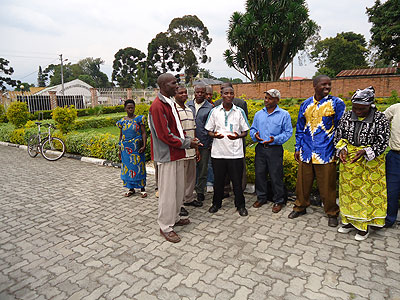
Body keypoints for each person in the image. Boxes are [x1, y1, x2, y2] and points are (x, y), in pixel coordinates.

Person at [148, 73, 200, 243]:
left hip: (177, 153)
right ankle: (165, 226)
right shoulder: (157, 106)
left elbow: (176, 129)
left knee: (178, 190)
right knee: (168, 193)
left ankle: (175, 217)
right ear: (163, 86)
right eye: (173, 84)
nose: (177, 87)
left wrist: (187, 139)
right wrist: (187, 143)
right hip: (167, 155)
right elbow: (165, 135)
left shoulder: (170, 103)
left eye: (176, 83)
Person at [288, 75, 345, 227]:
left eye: (329, 84)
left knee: (327, 186)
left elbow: (341, 128)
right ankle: (300, 207)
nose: (327, 87)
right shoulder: (306, 104)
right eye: (323, 84)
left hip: (325, 152)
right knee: (302, 184)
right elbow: (300, 129)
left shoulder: (337, 103)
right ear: (314, 85)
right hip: (306, 152)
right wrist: (297, 147)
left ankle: (332, 213)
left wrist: (339, 149)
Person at [335, 86, 389, 240]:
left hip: (370, 164)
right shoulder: (346, 116)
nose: (357, 111)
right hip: (350, 162)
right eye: (355, 108)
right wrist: (342, 148)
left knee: (365, 194)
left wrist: (366, 151)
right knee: (348, 194)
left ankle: (363, 227)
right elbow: (339, 134)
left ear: (370, 105)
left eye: (361, 109)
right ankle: (347, 221)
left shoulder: (380, 118)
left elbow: (384, 141)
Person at [205, 86, 250, 216]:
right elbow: (209, 130)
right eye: (226, 93)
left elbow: (245, 131)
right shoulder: (214, 111)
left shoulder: (239, 111)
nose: (229, 96)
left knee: (237, 181)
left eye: (231, 93)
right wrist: (214, 135)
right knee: (218, 181)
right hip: (218, 153)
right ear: (221, 95)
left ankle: (240, 205)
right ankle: (216, 204)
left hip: (235, 153)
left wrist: (238, 136)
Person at [250, 89, 293, 213]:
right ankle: (261, 197)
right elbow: (253, 129)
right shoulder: (259, 114)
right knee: (260, 174)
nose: (266, 101)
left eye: (270, 98)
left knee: (276, 176)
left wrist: (275, 139)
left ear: (277, 100)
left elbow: (288, 132)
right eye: (265, 98)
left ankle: (278, 200)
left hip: (275, 149)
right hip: (260, 149)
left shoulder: (284, 114)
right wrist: (255, 136)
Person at [214, 82, 248, 193]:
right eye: (223, 90)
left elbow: (244, 125)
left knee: (239, 170)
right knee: (222, 170)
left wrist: (239, 136)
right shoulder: (216, 105)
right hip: (220, 145)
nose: (227, 94)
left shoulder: (241, 104)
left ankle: (239, 190)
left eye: (229, 91)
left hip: (236, 144)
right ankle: (225, 189)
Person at [175, 86, 200, 216]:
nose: (184, 94)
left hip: (191, 150)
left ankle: (189, 198)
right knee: (180, 180)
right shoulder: (174, 110)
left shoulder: (190, 110)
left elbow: (193, 129)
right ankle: (179, 205)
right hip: (181, 151)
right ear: (175, 94)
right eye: (181, 93)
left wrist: (196, 148)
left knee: (191, 177)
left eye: (185, 92)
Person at [187, 84, 214, 202]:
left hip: (204, 143)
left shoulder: (210, 107)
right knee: (190, 169)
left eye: (202, 92)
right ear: (194, 92)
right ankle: (189, 190)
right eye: (197, 92)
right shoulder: (188, 105)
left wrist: (211, 142)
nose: (199, 94)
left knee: (203, 168)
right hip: (189, 142)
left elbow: (213, 127)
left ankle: (200, 191)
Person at [116, 99, 147, 197]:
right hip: (126, 149)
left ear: (134, 108)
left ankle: (142, 188)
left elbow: (143, 133)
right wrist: (119, 149)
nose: (130, 109)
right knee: (128, 169)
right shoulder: (122, 121)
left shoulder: (139, 119)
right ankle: (131, 189)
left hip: (137, 148)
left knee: (139, 167)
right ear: (125, 108)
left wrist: (144, 145)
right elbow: (121, 135)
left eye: (132, 107)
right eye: (128, 108)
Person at [384, 102, 400, 228]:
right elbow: (380, 121)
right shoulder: (395, 108)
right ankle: (389, 219)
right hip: (395, 156)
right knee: (391, 191)